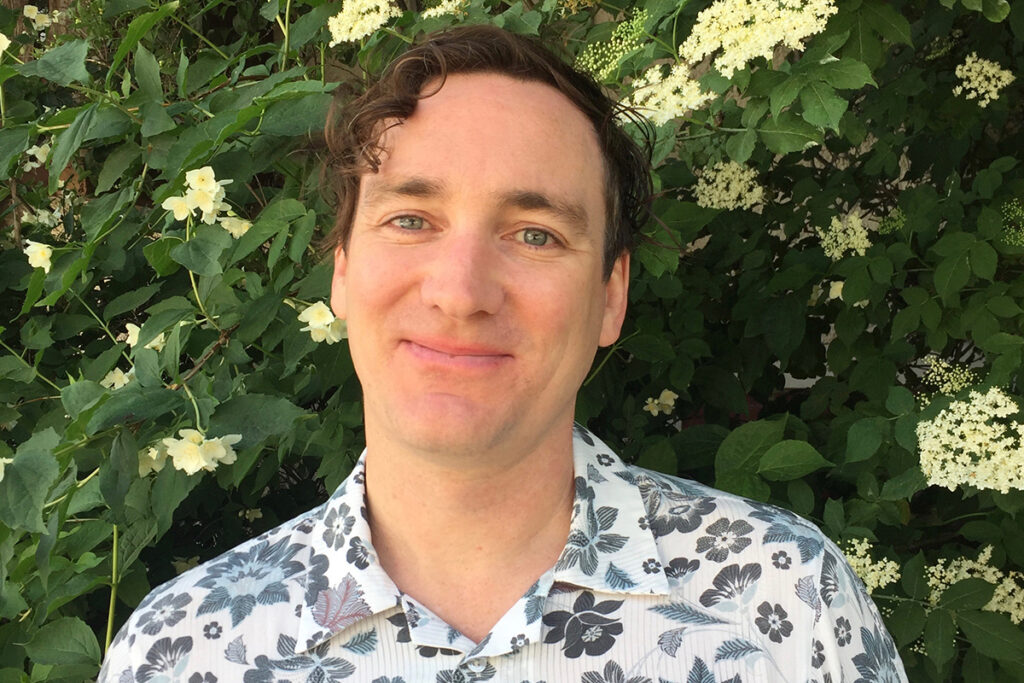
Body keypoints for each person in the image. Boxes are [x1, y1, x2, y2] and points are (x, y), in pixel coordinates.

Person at [99, 26, 908, 683]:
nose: (461, 290)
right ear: (341, 268)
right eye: (411, 218)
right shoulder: (180, 651)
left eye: (534, 234)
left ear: (611, 296)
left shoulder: (788, 599)